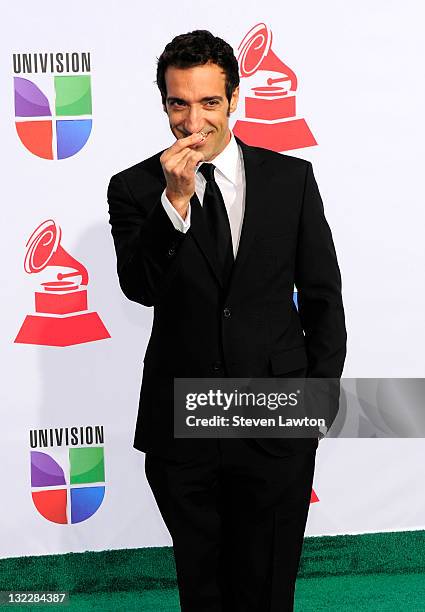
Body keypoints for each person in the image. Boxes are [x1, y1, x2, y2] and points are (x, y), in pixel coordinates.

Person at [108, 29, 346, 612]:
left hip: (274, 421)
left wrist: (314, 403)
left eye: (209, 102)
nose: (195, 121)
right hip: (182, 428)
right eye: (179, 103)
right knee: (203, 589)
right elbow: (140, 289)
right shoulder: (135, 189)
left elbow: (323, 298)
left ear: (235, 99)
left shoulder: (291, 181)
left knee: (266, 591)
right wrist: (175, 203)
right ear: (164, 103)